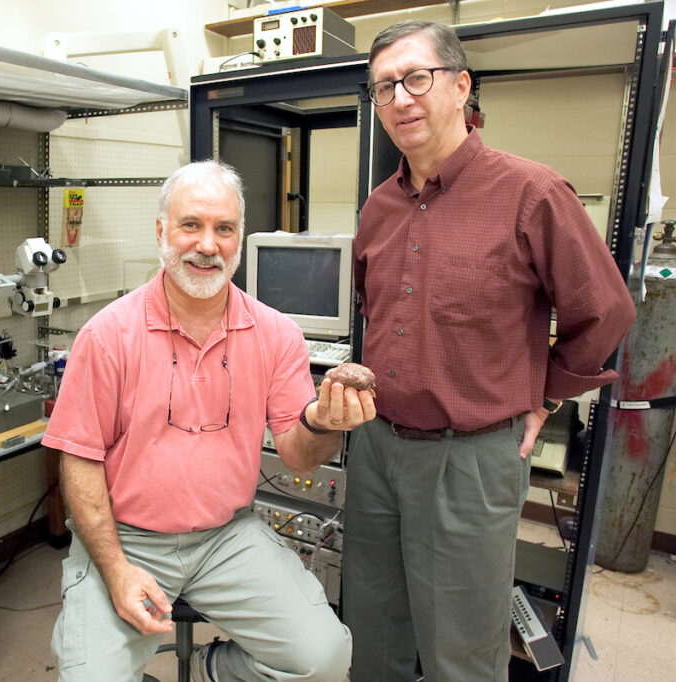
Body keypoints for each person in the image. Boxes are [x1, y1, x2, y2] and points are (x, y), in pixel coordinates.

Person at [343, 19, 636, 682]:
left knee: (462, 652)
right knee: (372, 630)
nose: (401, 98)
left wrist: (546, 390)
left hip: (468, 459)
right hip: (377, 449)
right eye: (384, 87)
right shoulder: (379, 208)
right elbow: (377, 314)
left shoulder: (531, 193)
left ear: (460, 87)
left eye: (417, 78)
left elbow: (607, 311)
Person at [43, 160, 375, 682]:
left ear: (238, 240)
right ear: (161, 232)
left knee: (325, 658)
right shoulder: (108, 335)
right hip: (127, 539)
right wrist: (114, 569)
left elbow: (297, 452)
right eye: (191, 225)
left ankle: (206, 672)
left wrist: (324, 422)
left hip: (227, 537)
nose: (207, 244)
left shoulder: (276, 334)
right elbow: (79, 460)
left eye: (224, 229)